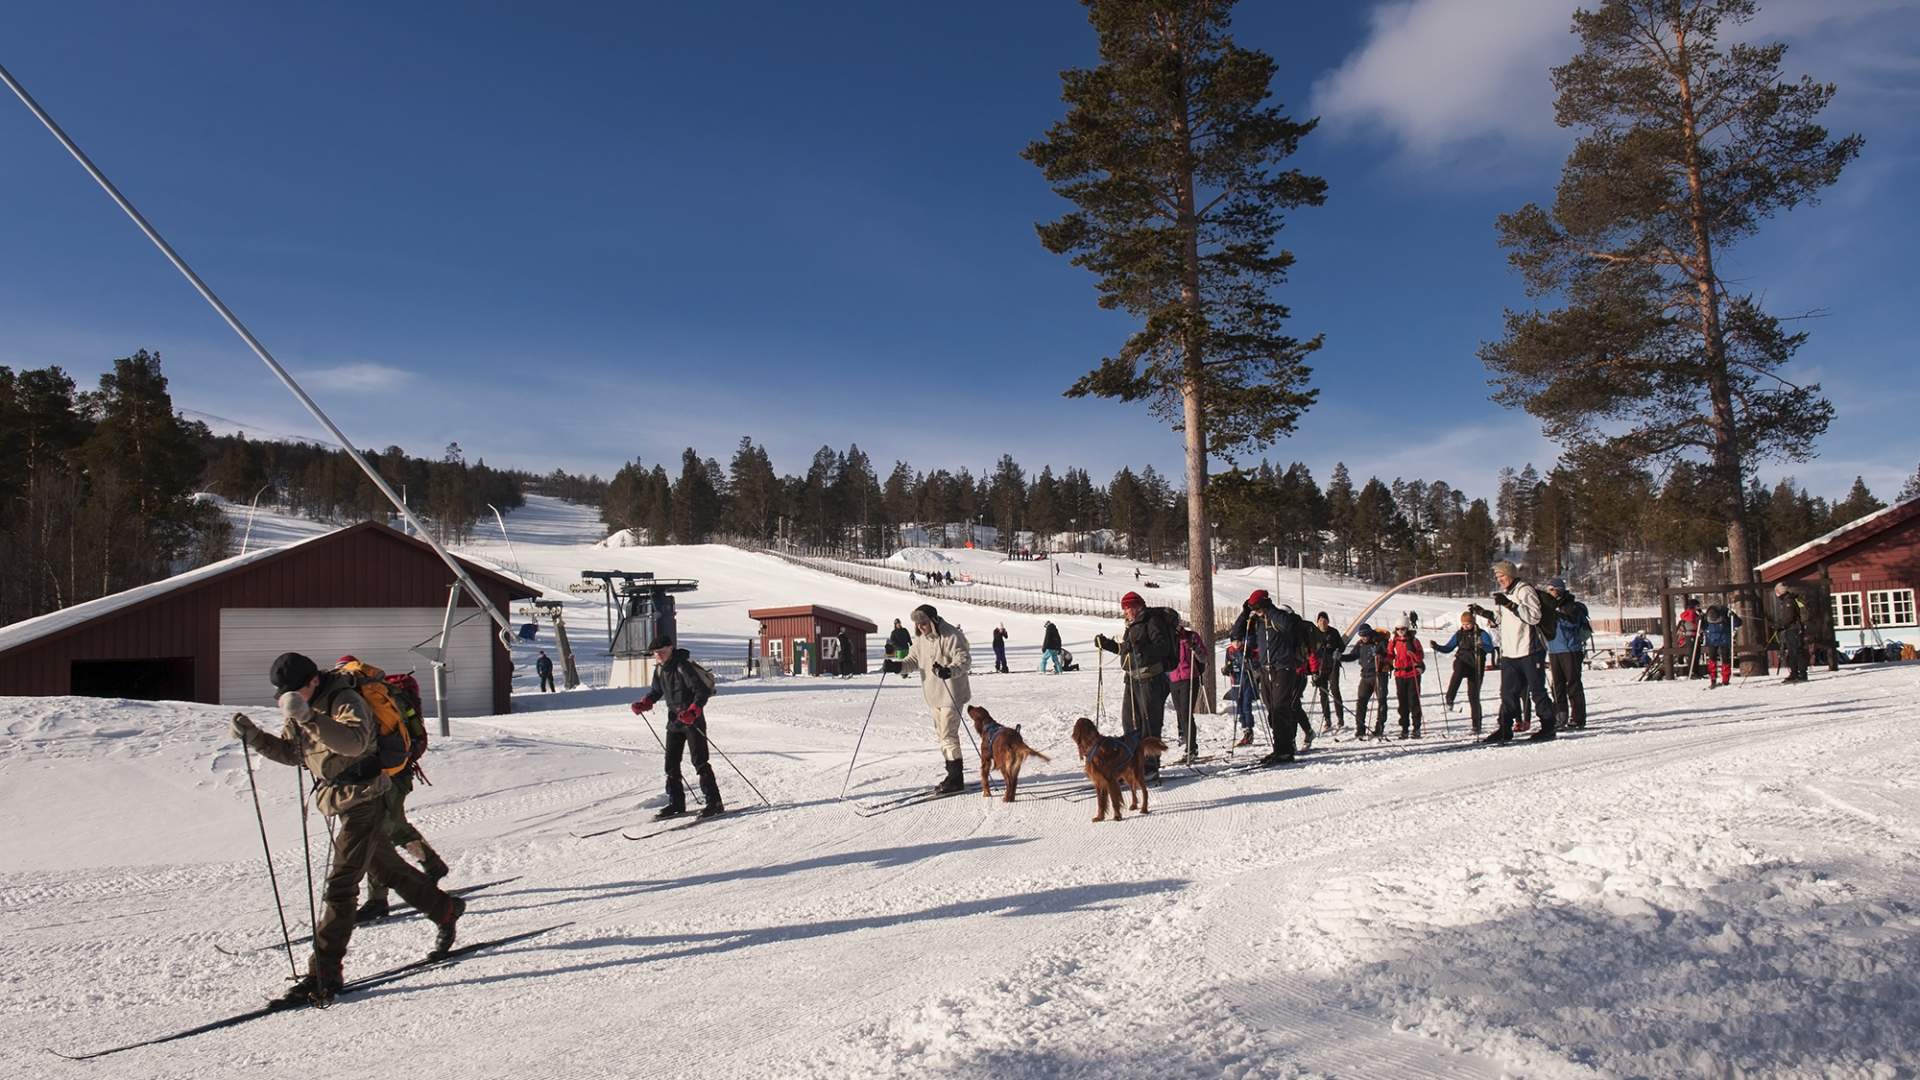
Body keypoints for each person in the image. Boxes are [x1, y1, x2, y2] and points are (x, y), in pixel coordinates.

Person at [229, 652, 463, 1006]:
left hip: (367, 799)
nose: (290, 697)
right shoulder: (304, 704)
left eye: (296, 690)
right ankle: (444, 909)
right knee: (388, 869)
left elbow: (354, 743)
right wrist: (254, 737)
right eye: (284, 693)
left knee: (340, 887)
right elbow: (295, 753)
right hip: (341, 801)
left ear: (312, 681)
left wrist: (308, 717)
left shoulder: (344, 698)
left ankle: (323, 973)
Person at [334, 655, 448, 923]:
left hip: (386, 774)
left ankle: (378, 900)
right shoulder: (379, 692)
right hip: (396, 772)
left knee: (379, 833)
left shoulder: (362, 696)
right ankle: (432, 866)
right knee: (393, 827)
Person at [630, 635, 724, 819]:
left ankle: (714, 802)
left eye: (662, 652)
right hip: (674, 721)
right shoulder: (660, 670)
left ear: (671, 648)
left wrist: (693, 711)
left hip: (692, 720)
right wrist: (645, 703)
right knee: (671, 764)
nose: (659, 656)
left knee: (700, 761)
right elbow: (657, 691)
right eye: (656, 653)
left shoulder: (683, 666)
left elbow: (701, 691)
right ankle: (676, 803)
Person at [883, 604, 974, 793]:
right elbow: (912, 661)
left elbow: (964, 660)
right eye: (917, 624)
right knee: (942, 736)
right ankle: (953, 774)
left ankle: (955, 778)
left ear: (933, 620)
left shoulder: (952, 635)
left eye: (924, 623)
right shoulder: (920, 640)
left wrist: (949, 670)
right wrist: (896, 667)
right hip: (933, 695)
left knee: (948, 735)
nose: (921, 627)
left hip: (952, 693)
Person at [1468, 559, 1558, 743]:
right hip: (1509, 651)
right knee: (1507, 693)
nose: (1499, 579)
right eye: (1497, 576)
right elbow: (1502, 620)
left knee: (1537, 691)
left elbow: (1534, 617)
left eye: (1501, 575)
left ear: (1510, 574)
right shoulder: (1506, 594)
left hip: (1529, 650)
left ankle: (1548, 727)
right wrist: (1483, 612)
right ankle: (1504, 728)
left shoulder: (1525, 590)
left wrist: (1510, 604)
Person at [1093, 591, 1181, 776]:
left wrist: (1143, 651)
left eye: (1127, 608)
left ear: (1137, 606)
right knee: (1130, 722)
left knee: (1149, 723)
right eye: (1124, 608)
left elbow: (1162, 647)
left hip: (1150, 680)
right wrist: (1107, 644)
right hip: (1132, 680)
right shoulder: (1133, 625)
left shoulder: (1152, 621)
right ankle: (1133, 763)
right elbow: (1127, 650)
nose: (1125, 611)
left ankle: (1151, 765)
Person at [1228, 590, 1307, 765]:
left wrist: (1268, 609)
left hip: (1283, 667)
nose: (1256, 611)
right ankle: (1281, 747)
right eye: (1253, 608)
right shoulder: (1257, 621)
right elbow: (1236, 633)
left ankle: (1285, 750)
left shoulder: (1278, 616)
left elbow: (1288, 626)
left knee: (1280, 707)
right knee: (1272, 708)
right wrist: (1245, 613)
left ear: (1265, 603)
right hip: (1265, 669)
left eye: (1257, 607)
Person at [1432, 611, 1495, 734]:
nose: (1466, 626)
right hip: (1462, 661)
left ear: (1473, 622)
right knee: (1458, 672)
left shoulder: (1481, 634)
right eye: (1464, 624)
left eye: (1468, 624)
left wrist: (1482, 645)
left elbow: (1490, 648)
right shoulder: (1459, 634)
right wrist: (1437, 647)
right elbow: (1448, 647)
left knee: (1473, 697)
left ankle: (1476, 726)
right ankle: (1450, 698)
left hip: (1476, 666)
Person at [1544, 577, 1591, 731]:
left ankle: (1578, 718)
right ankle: (1560, 716)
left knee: (1573, 684)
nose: (1549, 592)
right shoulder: (1549, 606)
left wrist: (1558, 615)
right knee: (1556, 686)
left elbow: (1572, 623)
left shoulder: (1570, 605)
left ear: (1559, 590)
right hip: (1554, 649)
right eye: (1548, 589)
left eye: (1552, 589)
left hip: (1570, 649)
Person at [1340, 623, 1390, 739]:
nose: (1364, 637)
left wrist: (1381, 655)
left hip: (1379, 675)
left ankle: (1379, 727)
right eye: (1361, 635)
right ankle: (1360, 729)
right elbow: (1353, 656)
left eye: (1366, 635)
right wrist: (1340, 657)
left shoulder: (1380, 641)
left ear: (1370, 633)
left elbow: (1389, 654)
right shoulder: (1360, 644)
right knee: (1361, 702)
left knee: (1381, 701)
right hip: (1365, 676)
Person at [1168, 622, 1207, 762]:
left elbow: (1204, 657)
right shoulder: (1168, 638)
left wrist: (1195, 648)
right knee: (1180, 712)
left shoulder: (1191, 636)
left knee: (1186, 712)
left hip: (1189, 678)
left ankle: (1192, 748)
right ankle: (1185, 739)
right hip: (1173, 678)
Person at [1386, 616, 1426, 738]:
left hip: (1412, 674)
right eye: (1398, 629)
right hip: (1399, 674)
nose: (1400, 631)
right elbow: (1389, 654)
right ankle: (1404, 728)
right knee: (1402, 703)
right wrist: (1385, 662)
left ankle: (1416, 727)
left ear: (1407, 628)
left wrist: (1413, 655)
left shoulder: (1414, 641)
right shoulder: (1394, 641)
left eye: (1403, 628)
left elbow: (1420, 656)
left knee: (1413, 701)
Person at [1309, 612, 1346, 734]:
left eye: (1325, 621)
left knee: (1335, 690)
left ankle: (1340, 719)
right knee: (1323, 693)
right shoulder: (1314, 633)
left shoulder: (1333, 632)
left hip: (1333, 666)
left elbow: (1342, 646)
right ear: (1317, 622)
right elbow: (1311, 650)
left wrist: (1338, 652)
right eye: (1320, 621)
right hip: (1320, 667)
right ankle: (1327, 719)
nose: (1323, 623)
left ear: (1328, 622)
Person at [1774, 583, 1809, 683]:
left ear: (1779, 592)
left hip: (1794, 629)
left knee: (1797, 651)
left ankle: (1802, 674)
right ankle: (1794, 673)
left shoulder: (1788, 601)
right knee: (1792, 652)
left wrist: (1779, 625)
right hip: (1791, 629)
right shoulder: (1787, 600)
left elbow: (1789, 618)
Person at [1701, 603, 1740, 687]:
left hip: (1722, 640)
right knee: (1713, 659)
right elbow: (1701, 626)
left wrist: (1734, 616)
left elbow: (1738, 623)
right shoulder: (1707, 618)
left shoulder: (1725, 616)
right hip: (1714, 640)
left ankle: (1724, 679)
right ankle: (1714, 679)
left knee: (1724, 659)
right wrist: (1700, 619)